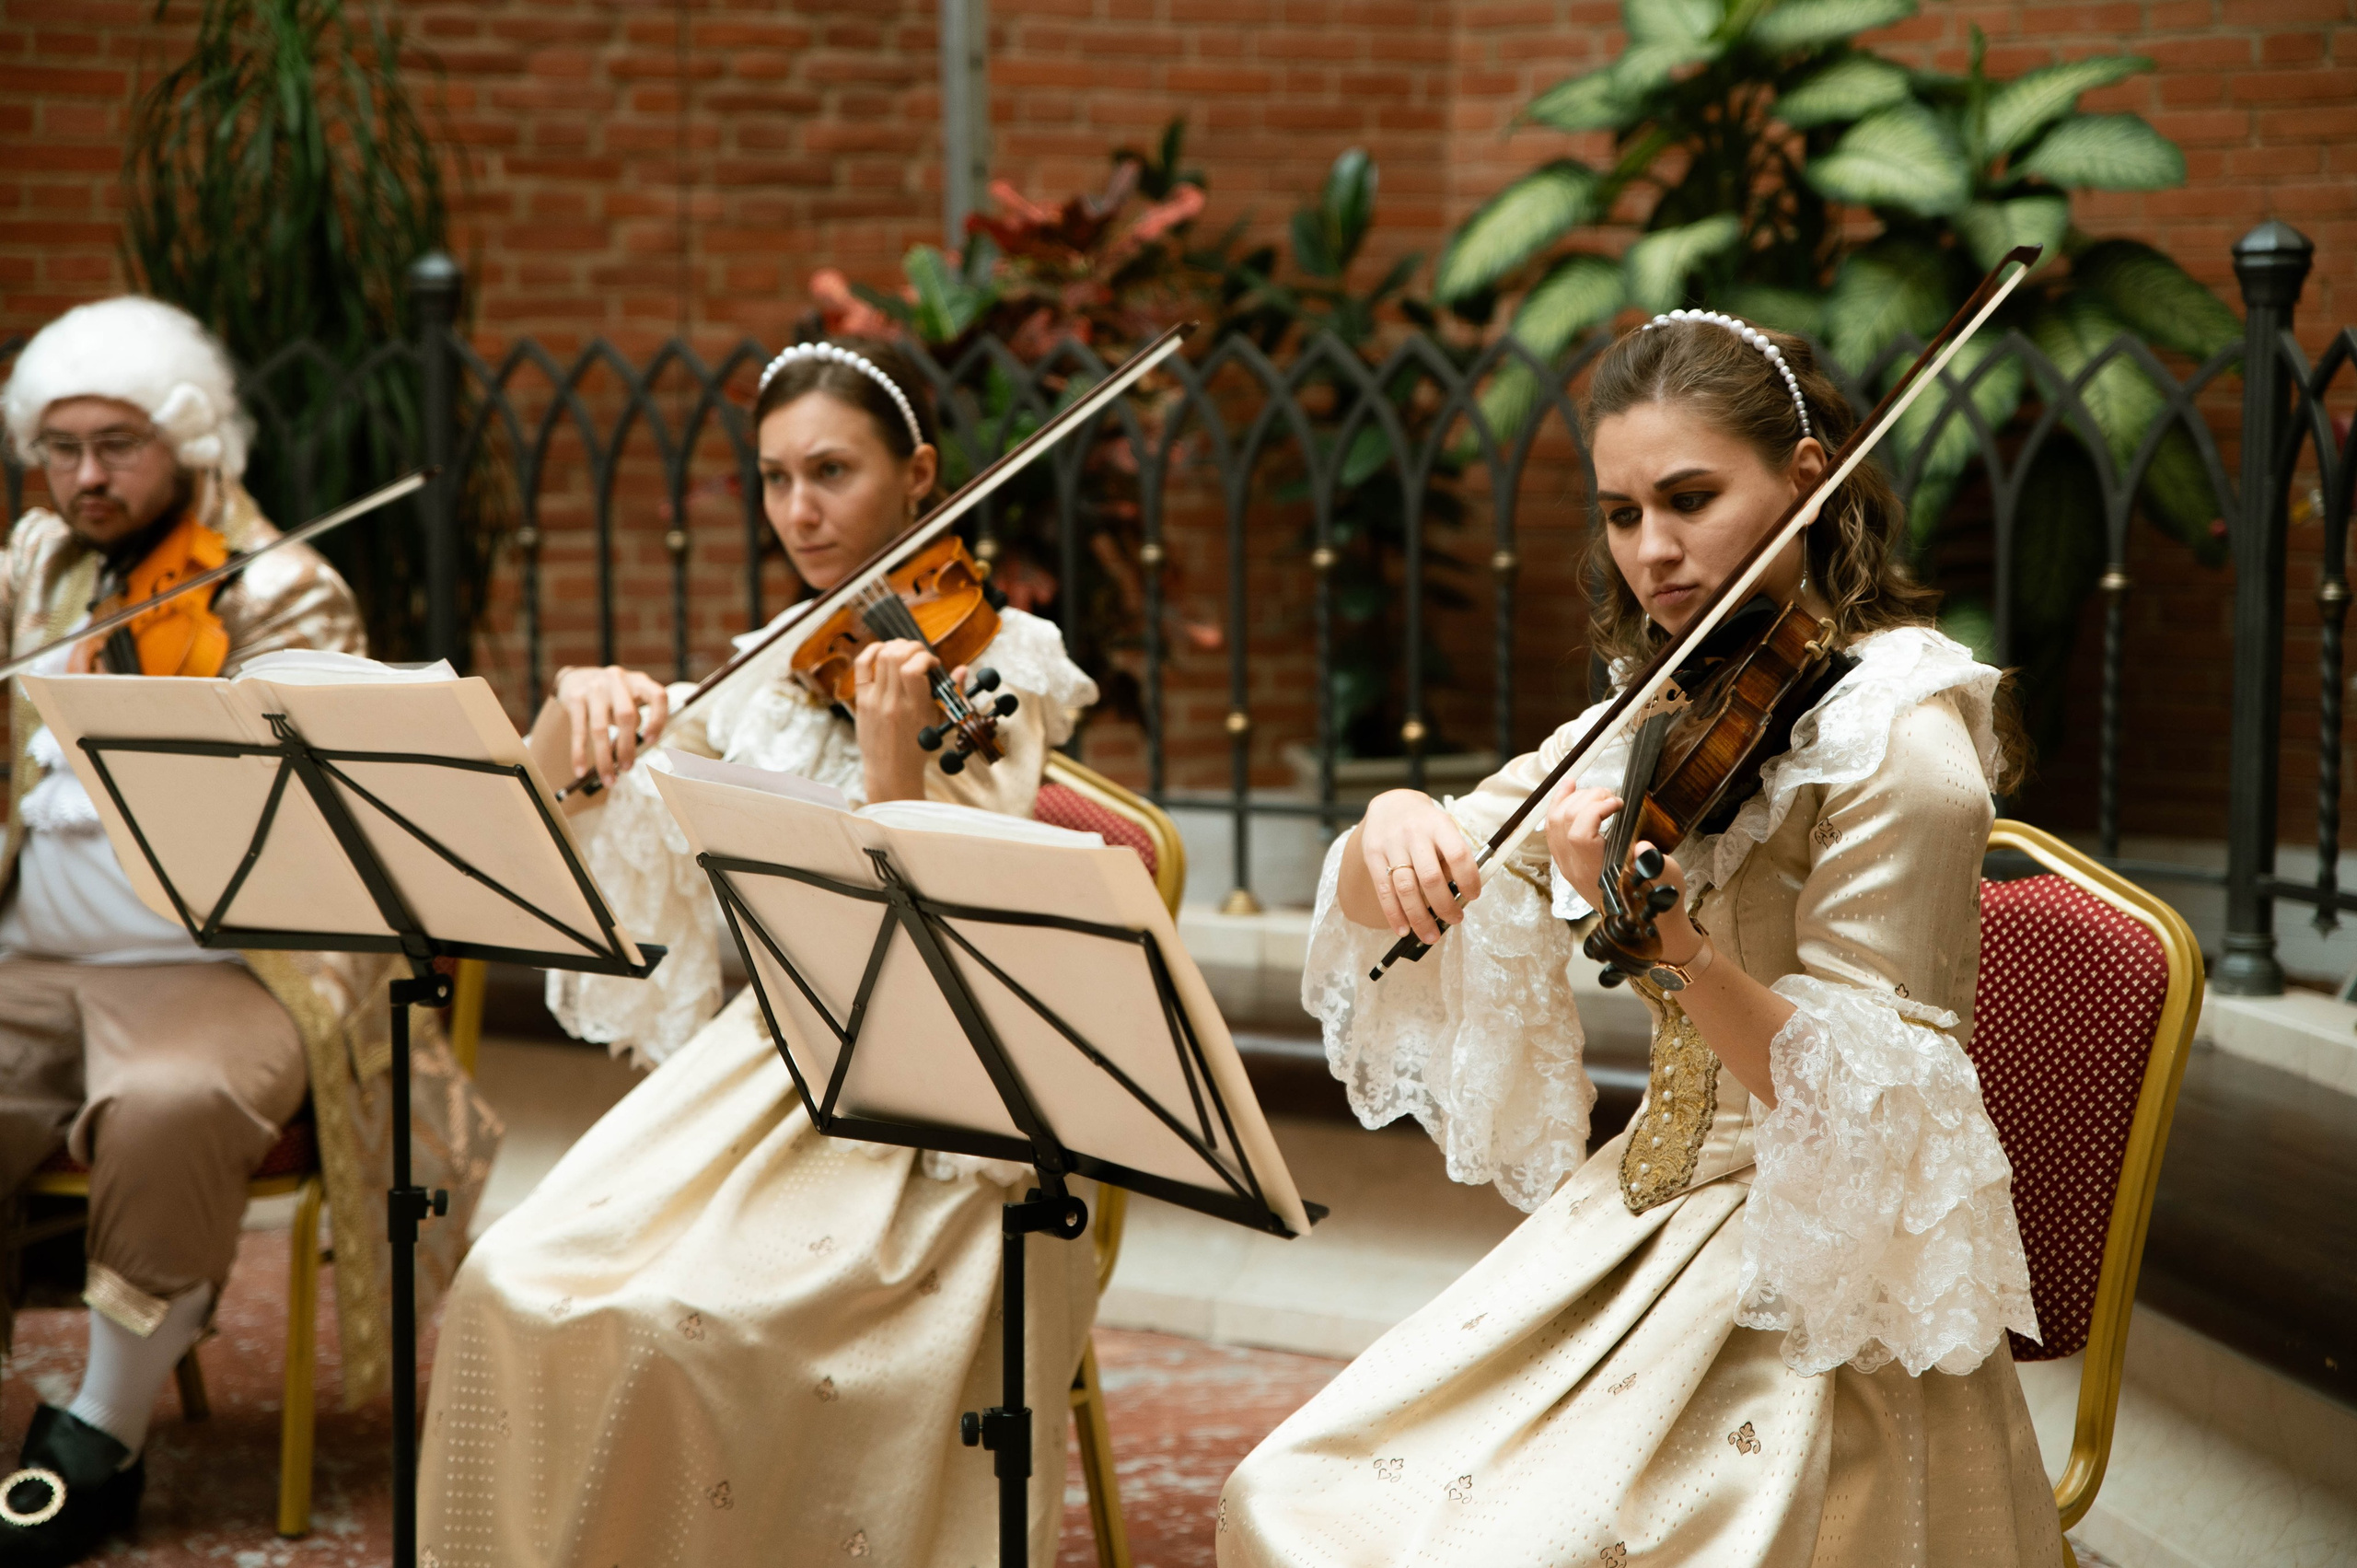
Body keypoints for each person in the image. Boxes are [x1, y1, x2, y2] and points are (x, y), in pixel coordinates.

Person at [1218, 313, 2058, 1566]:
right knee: (1289, 1494)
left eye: (1689, 499)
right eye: (1621, 513)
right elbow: (1423, 864)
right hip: (1637, 1212)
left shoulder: (1904, 746)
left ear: (1808, 479)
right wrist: (1392, 824)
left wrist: (1682, 955)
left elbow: (1880, 1117)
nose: (1653, 552)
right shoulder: (1667, 702)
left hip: (1803, 1276)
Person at [419, 337, 1103, 1567]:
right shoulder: (778, 668)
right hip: (764, 1067)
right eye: (776, 478)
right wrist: (576, 708)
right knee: (510, 1279)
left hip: (936, 1096)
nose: (800, 510)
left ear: (920, 476)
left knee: (693, 1335)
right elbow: (558, 818)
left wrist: (894, 758)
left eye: (832, 471)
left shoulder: (1006, 664)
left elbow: (954, 929)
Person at [0, 296, 497, 1563]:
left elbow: (308, 837)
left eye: (117, 446)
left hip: (230, 963)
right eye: (59, 448)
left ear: (190, 438)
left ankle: (97, 1433)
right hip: (35, 958)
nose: (85, 478)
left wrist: (133, 729)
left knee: (172, 1103)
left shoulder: (284, 589)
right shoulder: (40, 566)